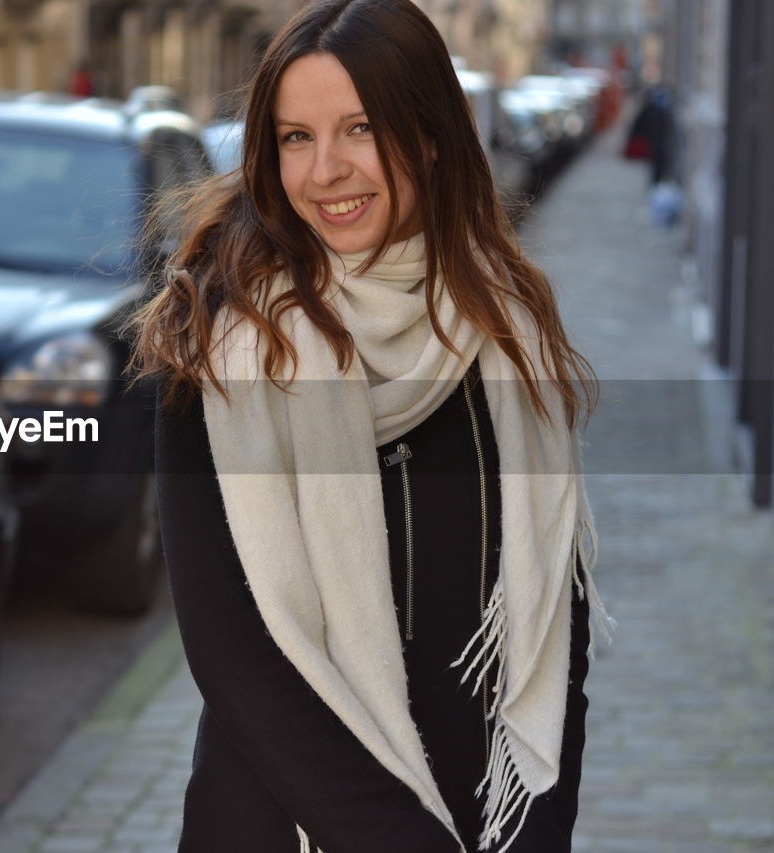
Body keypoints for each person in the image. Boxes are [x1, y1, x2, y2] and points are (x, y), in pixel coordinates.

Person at [129, 1, 612, 851]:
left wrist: (541, 826)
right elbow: (231, 651)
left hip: (484, 816)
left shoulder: (507, 332)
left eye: (359, 127)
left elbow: (553, 625)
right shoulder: (215, 342)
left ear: (428, 134)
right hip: (280, 824)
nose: (326, 171)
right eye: (295, 137)